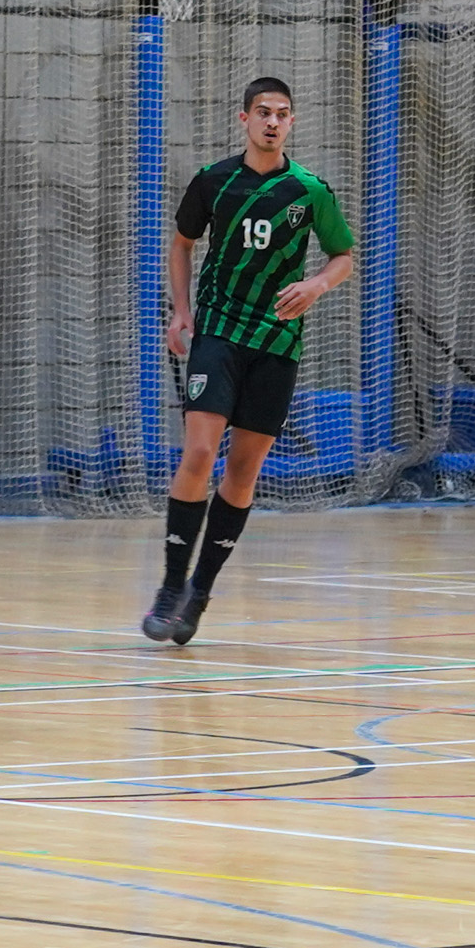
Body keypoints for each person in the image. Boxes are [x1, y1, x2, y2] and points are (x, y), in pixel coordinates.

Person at [143, 78, 355, 645]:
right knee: (199, 452)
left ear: (292, 122)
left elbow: (343, 255)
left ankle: (199, 593)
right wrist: (181, 312)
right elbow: (182, 244)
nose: (272, 122)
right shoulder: (214, 180)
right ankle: (170, 585)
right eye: (263, 112)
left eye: (282, 114)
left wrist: (316, 285)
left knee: (242, 470)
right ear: (244, 119)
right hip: (218, 332)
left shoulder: (310, 190)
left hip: (277, 344)